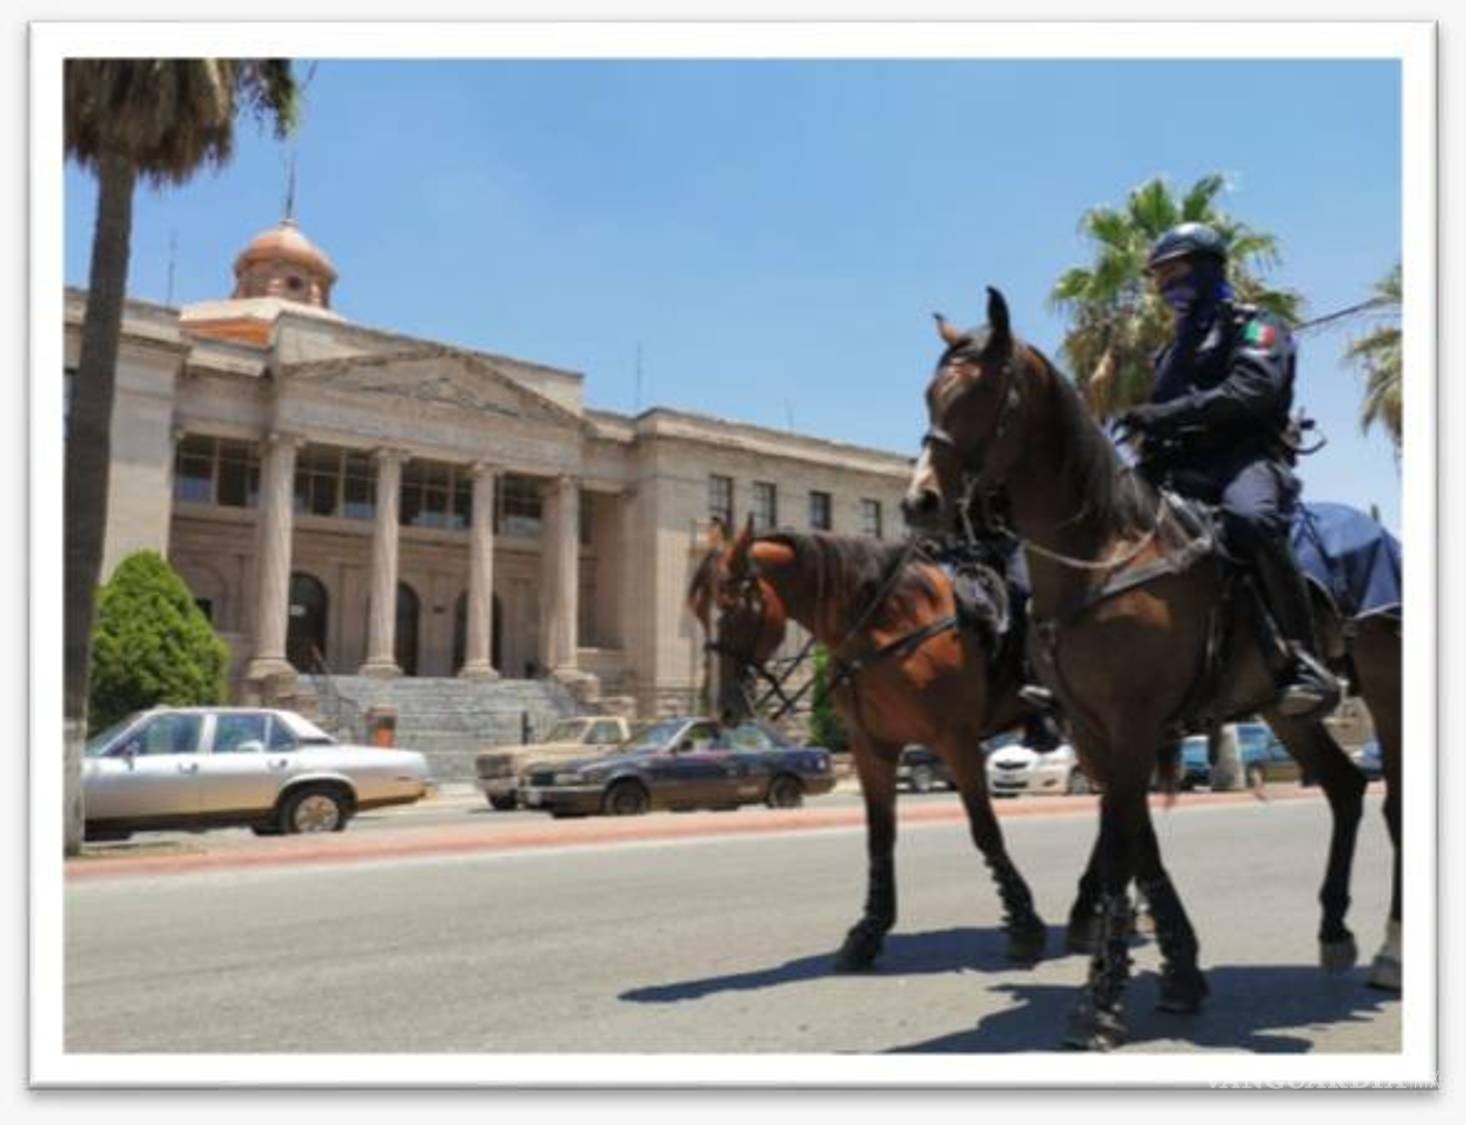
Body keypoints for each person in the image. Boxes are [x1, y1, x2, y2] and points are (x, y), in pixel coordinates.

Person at [1119, 221, 1340, 720]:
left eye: (1174, 271)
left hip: (1244, 458)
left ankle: (1304, 661)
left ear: (1207, 268)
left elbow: (1251, 391)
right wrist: (1146, 430)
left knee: (1251, 520)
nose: (1165, 285)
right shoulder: (1170, 351)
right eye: (1159, 277)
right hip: (1181, 466)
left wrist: (1166, 413)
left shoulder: (1257, 325)